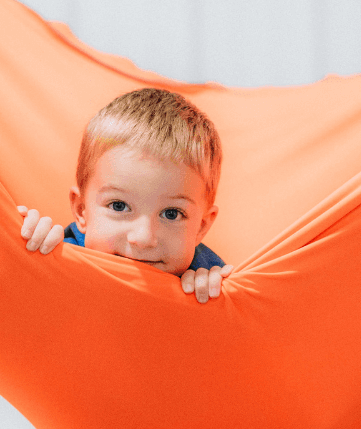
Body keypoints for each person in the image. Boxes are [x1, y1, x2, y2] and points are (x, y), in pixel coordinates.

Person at [18, 88, 233, 303]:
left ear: (202, 226)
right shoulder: (58, 255)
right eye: (119, 206)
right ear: (82, 210)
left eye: (171, 213)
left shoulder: (203, 277)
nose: (143, 238)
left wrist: (215, 301)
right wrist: (24, 253)